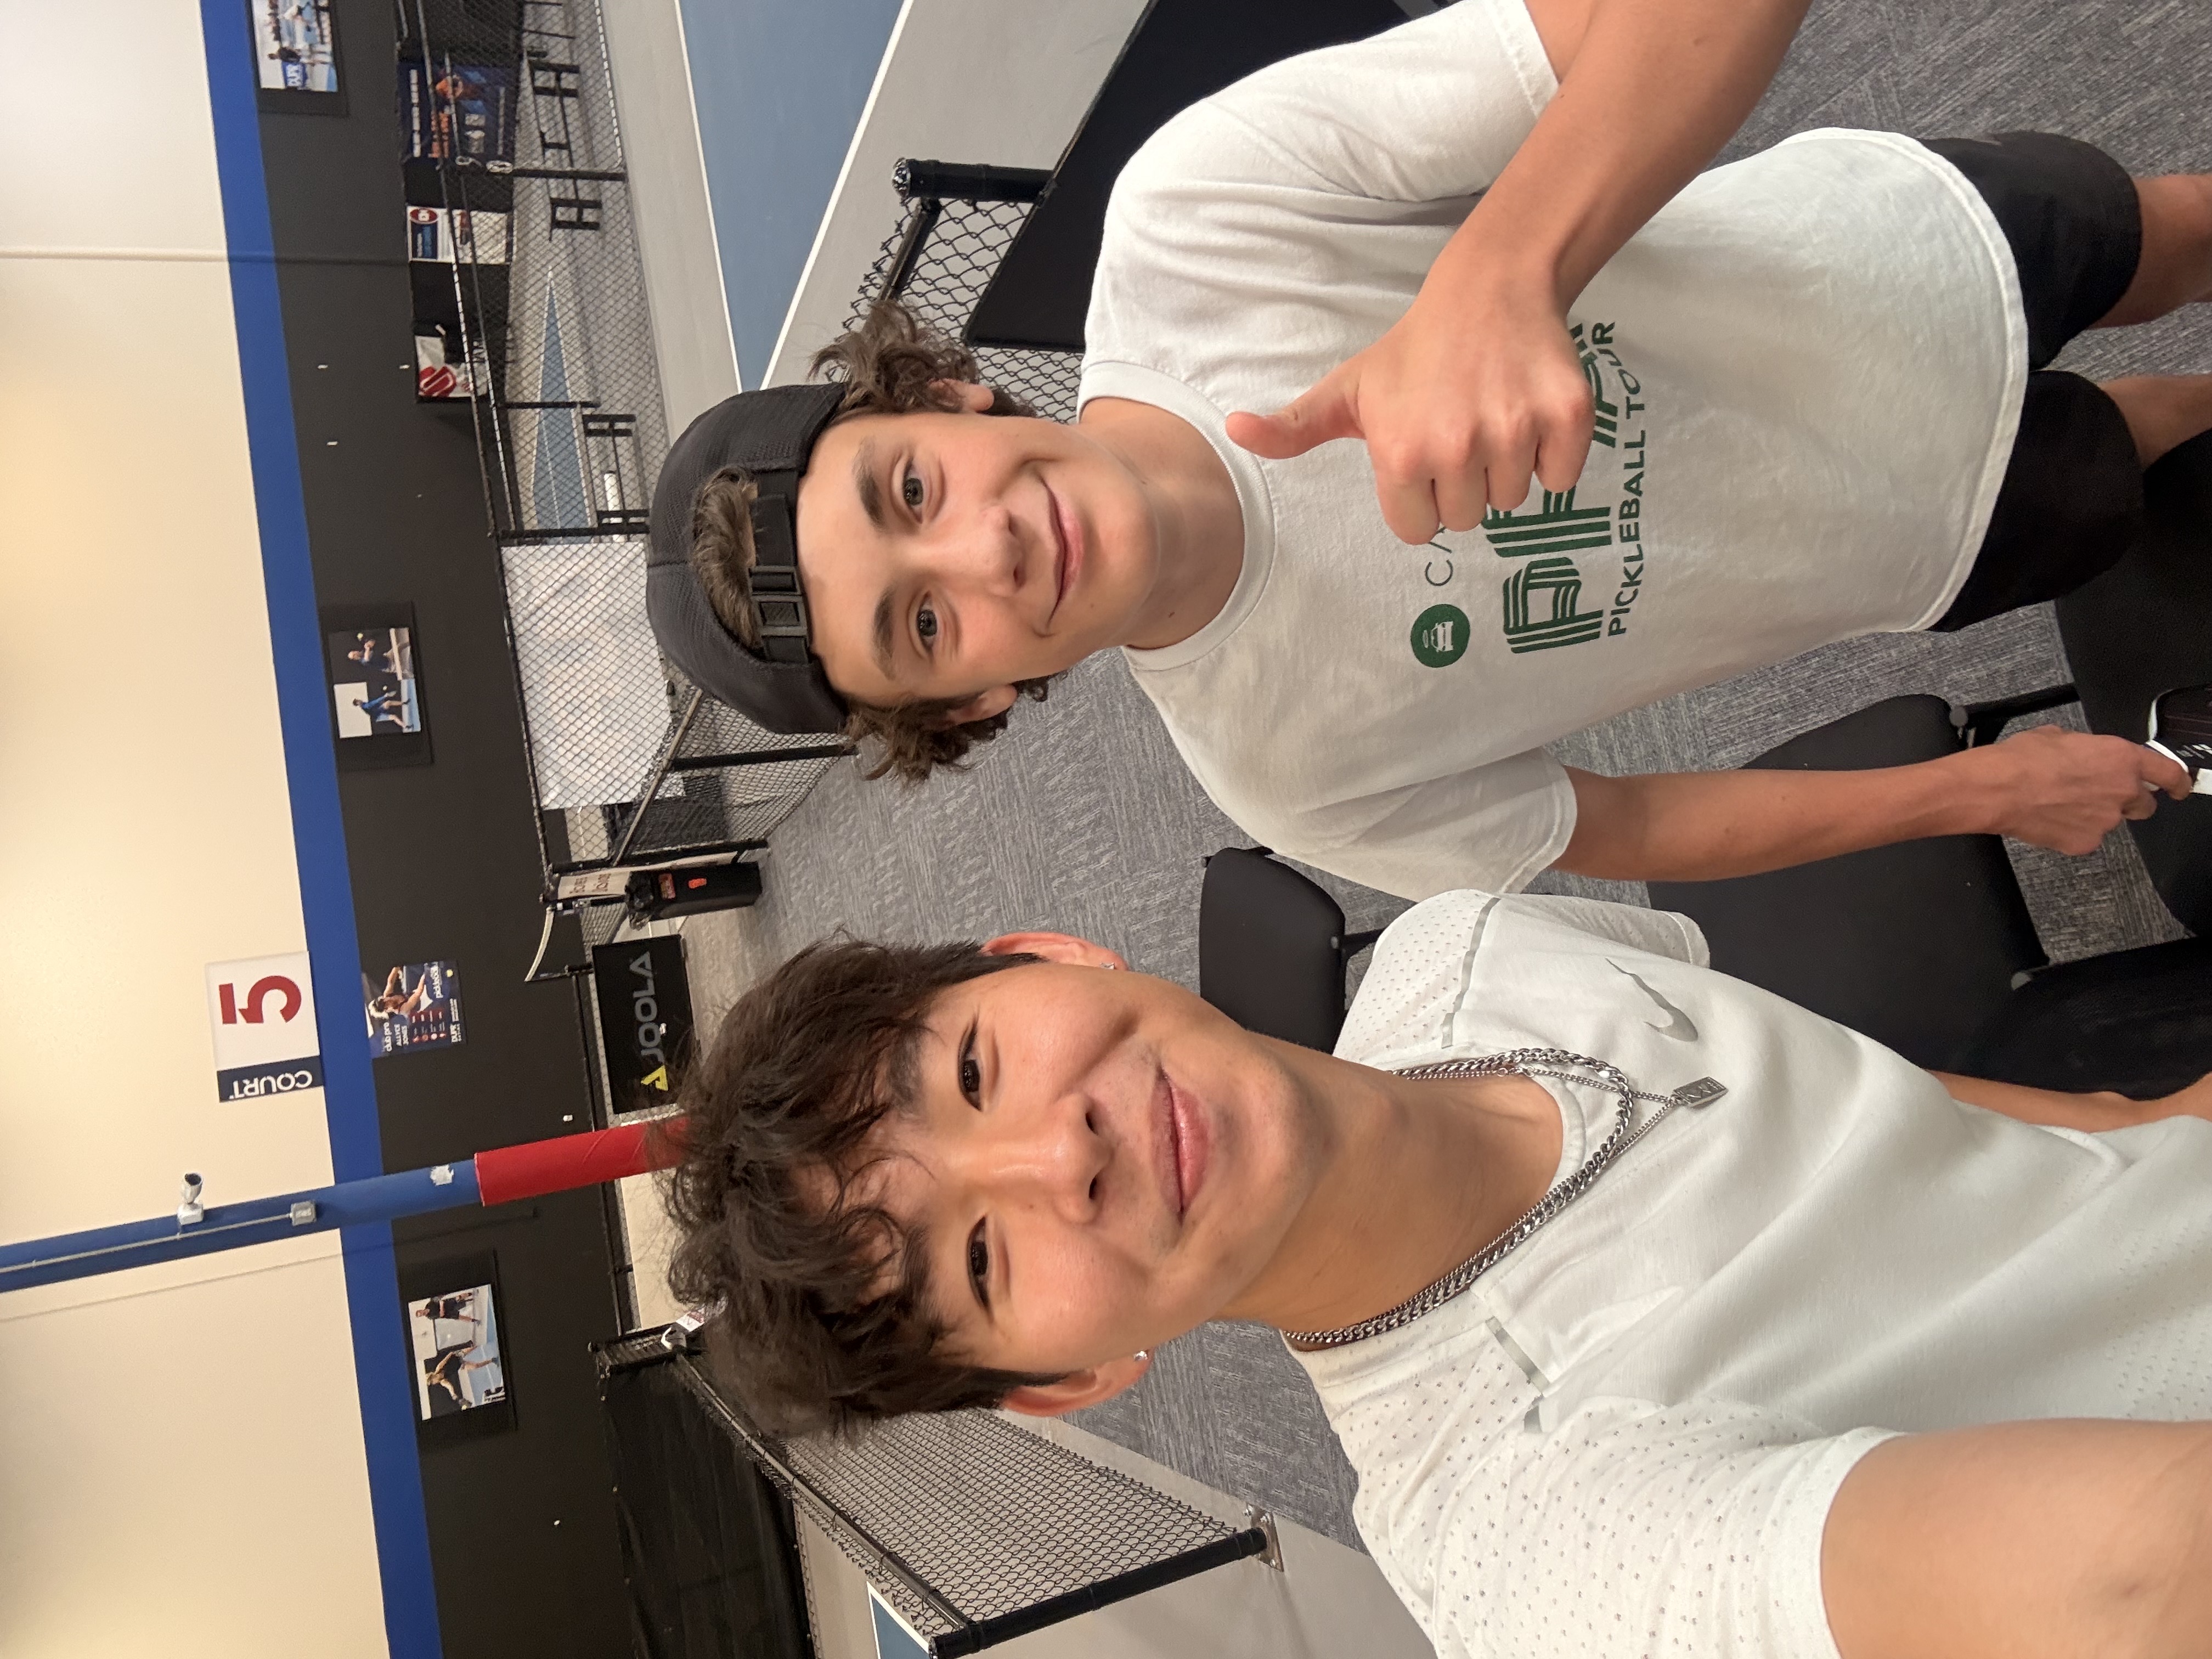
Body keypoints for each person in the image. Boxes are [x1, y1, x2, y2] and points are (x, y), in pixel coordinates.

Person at [646, 0, 2211, 900]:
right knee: (2131, 449)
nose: (978, 552)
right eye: (922, 625)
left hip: (1897, 256)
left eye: (907, 491)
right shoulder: (1287, 779)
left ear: (948, 398)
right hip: (1913, 540)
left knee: (2170, 240)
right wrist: (1967, 795)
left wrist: (1506, 266)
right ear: (973, 699)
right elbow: (1627, 827)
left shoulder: (1196, 217)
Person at [661, 896, 2212, 1657]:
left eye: (979, 1067)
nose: (1058, 1158)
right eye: (985, 1259)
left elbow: (1924, 1119)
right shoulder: (1530, 1542)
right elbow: (2141, 1577)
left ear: (1052, 958)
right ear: (1076, 1381)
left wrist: (2153, 1122)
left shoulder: (1462, 947)